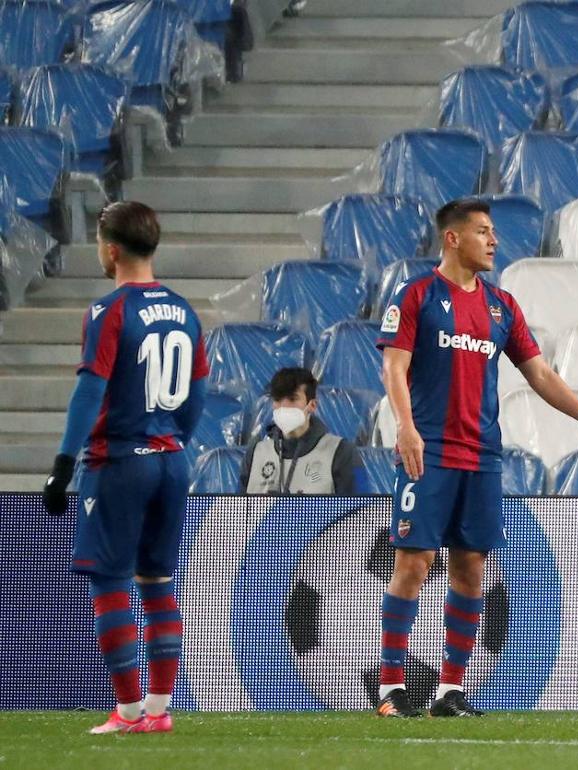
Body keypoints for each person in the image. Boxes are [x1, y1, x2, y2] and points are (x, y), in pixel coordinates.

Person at [373, 198, 578, 718]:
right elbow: (394, 367)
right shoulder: (416, 295)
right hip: (430, 451)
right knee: (413, 564)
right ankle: (391, 689)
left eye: (493, 232)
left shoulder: (501, 307)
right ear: (453, 238)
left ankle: (449, 691)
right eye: (484, 231)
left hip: (483, 456)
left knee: (470, 570)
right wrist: (406, 427)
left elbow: (541, 375)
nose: (494, 240)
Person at [41, 201, 208, 734]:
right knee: (158, 580)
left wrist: (63, 464)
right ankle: (159, 712)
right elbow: (197, 396)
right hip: (173, 461)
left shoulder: (109, 310)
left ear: (110, 249)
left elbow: (90, 390)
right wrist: (174, 441)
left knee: (111, 583)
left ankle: (129, 710)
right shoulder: (185, 310)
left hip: (120, 461)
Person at [239, 367, 362, 494]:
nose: (284, 406)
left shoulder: (341, 452)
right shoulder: (255, 452)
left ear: (312, 405)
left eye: (292, 399)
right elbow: (237, 509)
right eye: (278, 399)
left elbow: (360, 510)